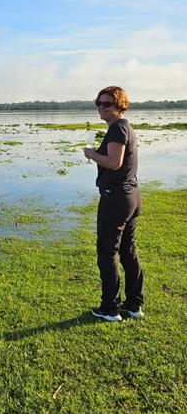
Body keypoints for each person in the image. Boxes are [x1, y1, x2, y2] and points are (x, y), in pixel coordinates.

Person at [84, 85, 144, 322]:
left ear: (120, 105)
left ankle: (110, 308)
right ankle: (134, 304)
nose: (101, 107)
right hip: (131, 196)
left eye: (107, 104)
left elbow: (114, 162)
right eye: (98, 103)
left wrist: (91, 154)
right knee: (128, 250)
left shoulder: (118, 128)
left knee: (108, 252)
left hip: (116, 197)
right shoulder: (123, 127)